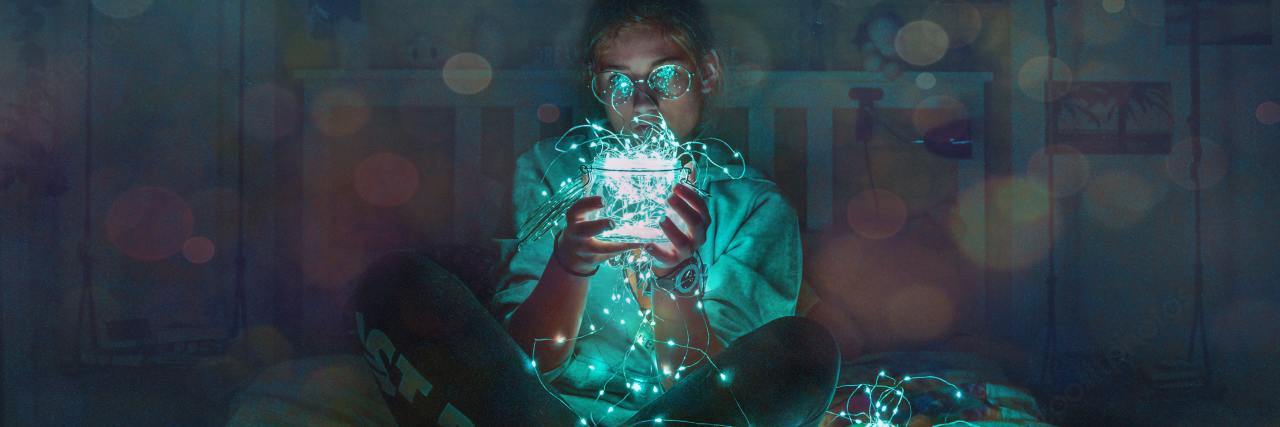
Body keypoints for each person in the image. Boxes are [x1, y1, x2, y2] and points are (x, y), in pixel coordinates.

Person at [350, 1, 840, 425]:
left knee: (806, 352)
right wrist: (570, 265)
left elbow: (718, 387)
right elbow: (525, 364)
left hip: (687, 414)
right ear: (597, 85)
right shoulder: (551, 174)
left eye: (666, 76)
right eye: (619, 82)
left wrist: (677, 283)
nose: (643, 102)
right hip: (537, 410)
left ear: (707, 74)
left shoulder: (755, 207)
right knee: (394, 283)